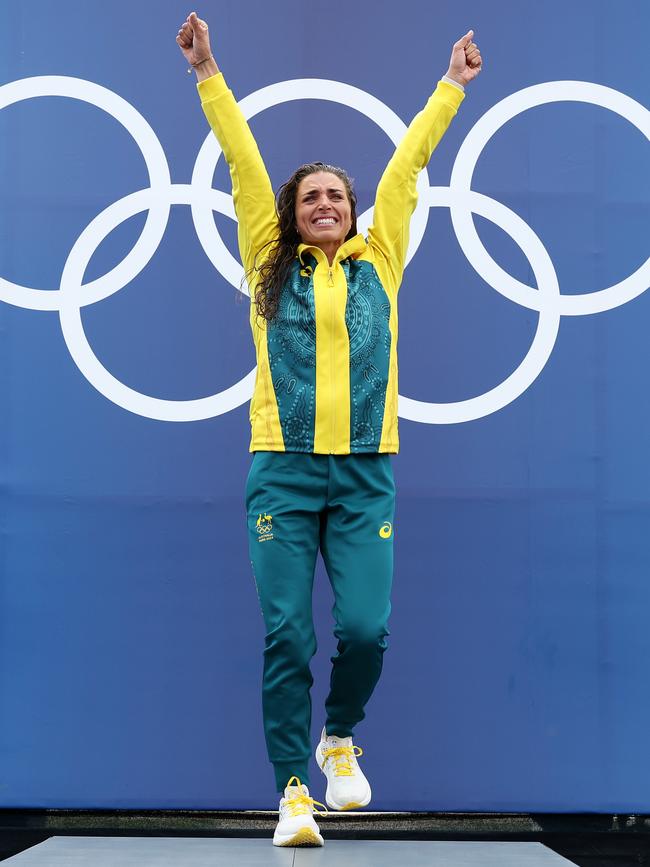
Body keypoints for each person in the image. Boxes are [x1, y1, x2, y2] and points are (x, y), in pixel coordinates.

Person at [176, 10, 482, 848]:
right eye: (309, 196)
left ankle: (339, 736)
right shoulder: (266, 260)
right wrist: (210, 73)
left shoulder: (381, 258)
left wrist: (450, 87)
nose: (322, 205)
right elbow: (242, 158)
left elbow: (409, 163)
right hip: (281, 468)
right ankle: (291, 792)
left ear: (353, 213)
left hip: (363, 472)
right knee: (287, 633)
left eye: (335, 197)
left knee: (363, 630)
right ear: (290, 212)